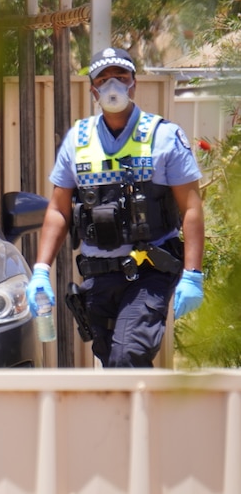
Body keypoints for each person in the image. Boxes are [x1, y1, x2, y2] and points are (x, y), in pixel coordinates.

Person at [26, 47, 205, 367]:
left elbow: (190, 207)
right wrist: (41, 270)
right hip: (97, 276)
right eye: (104, 78)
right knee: (112, 363)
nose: (113, 85)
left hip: (149, 271)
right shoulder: (77, 141)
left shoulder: (163, 136)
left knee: (127, 358)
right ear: (93, 88)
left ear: (134, 83)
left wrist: (193, 275)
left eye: (121, 77)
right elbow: (58, 209)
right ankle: (141, 418)